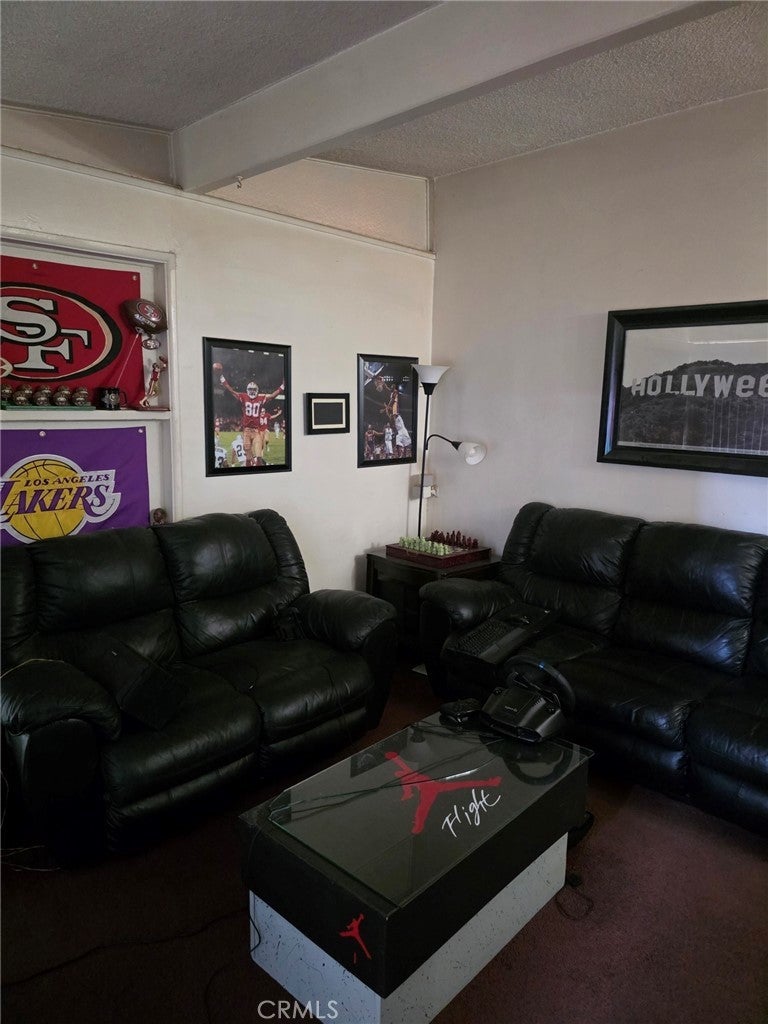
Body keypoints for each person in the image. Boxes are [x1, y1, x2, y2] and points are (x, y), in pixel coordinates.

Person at [219, 373, 284, 466]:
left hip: (256, 431)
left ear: (257, 390)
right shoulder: (243, 397)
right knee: (248, 459)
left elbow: (272, 396)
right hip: (246, 432)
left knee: (259, 458)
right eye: (250, 389)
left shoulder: (261, 398)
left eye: (254, 389)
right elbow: (231, 391)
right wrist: (223, 380)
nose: (252, 391)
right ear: (247, 390)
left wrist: (282, 386)